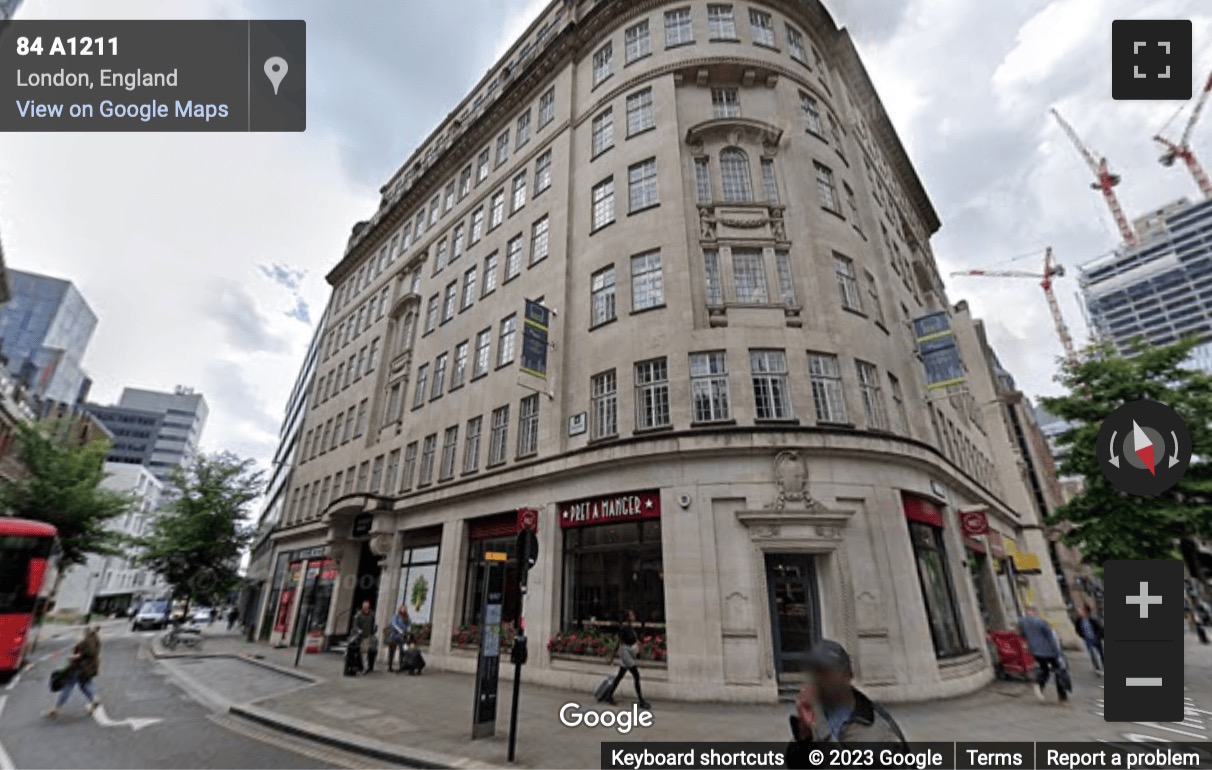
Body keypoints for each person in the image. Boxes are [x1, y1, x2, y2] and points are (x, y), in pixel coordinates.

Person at [784, 640, 906, 767]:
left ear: (847, 676)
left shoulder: (877, 729)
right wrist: (804, 736)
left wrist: (823, 735)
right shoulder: (820, 715)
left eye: (827, 673)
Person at [46, 626, 102, 718]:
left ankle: (56, 708)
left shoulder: (85, 643)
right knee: (85, 685)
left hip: (79, 668)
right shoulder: (96, 641)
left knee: (68, 686)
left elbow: (83, 655)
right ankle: (94, 699)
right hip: (90, 668)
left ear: (86, 633)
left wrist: (72, 657)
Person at [1020, 606, 1067, 702]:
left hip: (1036, 651)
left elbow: (1023, 635)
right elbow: (1051, 638)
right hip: (1048, 651)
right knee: (1058, 670)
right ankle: (1062, 694)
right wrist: (1057, 653)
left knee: (1044, 669)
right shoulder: (1042, 622)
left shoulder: (1023, 623)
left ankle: (1039, 684)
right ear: (1035, 612)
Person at [597, 626, 650, 710]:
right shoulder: (625, 629)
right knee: (636, 676)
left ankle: (609, 695)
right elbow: (621, 642)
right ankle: (641, 700)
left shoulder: (627, 629)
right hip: (626, 654)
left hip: (625, 652)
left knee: (619, 677)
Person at [1072, 605, 1104, 674]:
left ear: (1086, 612)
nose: (1079, 612)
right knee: (1092, 654)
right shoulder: (1079, 620)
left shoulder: (1092, 619)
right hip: (1087, 640)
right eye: (1080, 610)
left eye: (1081, 610)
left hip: (1096, 638)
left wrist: (1098, 637)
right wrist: (1082, 636)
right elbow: (1077, 629)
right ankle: (1097, 667)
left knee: (1101, 653)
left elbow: (1100, 628)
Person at [351, 600, 377, 674]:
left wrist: (374, 630)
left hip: (367, 635)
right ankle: (355, 666)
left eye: (367, 605)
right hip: (357, 636)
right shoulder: (359, 615)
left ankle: (365, 667)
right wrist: (358, 631)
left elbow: (373, 623)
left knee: (364, 651)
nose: (365, 607)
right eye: (364, 605)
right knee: (355, 650)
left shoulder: (371, 614)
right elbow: (355, 625)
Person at [385, 605, 411, 673]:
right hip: (394, 636)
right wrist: (400, 631)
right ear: (400, 609)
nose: (403, 610)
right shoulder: (396, 616)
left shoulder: (407, 618)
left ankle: (401, 666)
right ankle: (390, 666)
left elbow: (409, 625)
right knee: (391, 651)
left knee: (403, 651)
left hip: (403, 638)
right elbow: (394, 624)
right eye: (402, 608)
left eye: (405, 609)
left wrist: (407, 633)